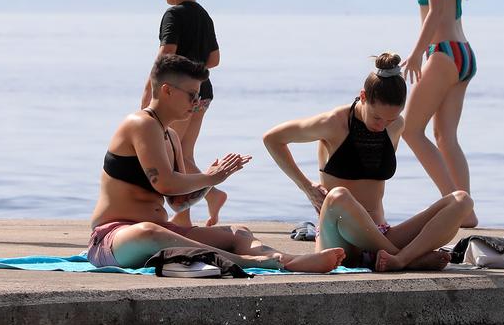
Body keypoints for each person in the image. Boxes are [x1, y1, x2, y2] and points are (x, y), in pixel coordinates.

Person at [90, 54, 342, 272]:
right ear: (167, 90)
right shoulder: (140, 123)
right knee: (148, 233)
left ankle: (291, 260)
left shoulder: (171, 135)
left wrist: (213, 181)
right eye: (191, 96)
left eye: (198, 97)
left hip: (162, 230)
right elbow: (165, 183)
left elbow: (178, 203)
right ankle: (250, 262)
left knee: (238, 232)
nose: (196, 103)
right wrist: (210, 177)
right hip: (114, 239)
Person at [262, 54, 474, 272]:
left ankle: (400, 259)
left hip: (380, 235)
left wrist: (390, 123)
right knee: (339, 196)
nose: (382, 126)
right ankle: (407, 258)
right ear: (363, 96)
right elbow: (273, 139)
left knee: (461, 201)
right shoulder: (333, 123)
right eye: (377, 118)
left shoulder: (395, 126)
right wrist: (305, 186)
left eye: (390, 119)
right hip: (339, 238)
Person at [397, 0, 478, 227]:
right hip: (464, 54)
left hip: (443, 53)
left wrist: (416, 53)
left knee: (410, 130)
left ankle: (456, 206)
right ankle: (467, 211)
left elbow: (435, 13)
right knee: (445, 136)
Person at [140, 0, 225, 227]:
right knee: (185, 154)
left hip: (176, 96)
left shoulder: (174, 15)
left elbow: (166, 55)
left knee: (173, 158)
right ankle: (209, 197)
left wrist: (148, 96)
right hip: (203, 93)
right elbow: (213, 60)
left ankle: (186, 213)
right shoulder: (204, 15)